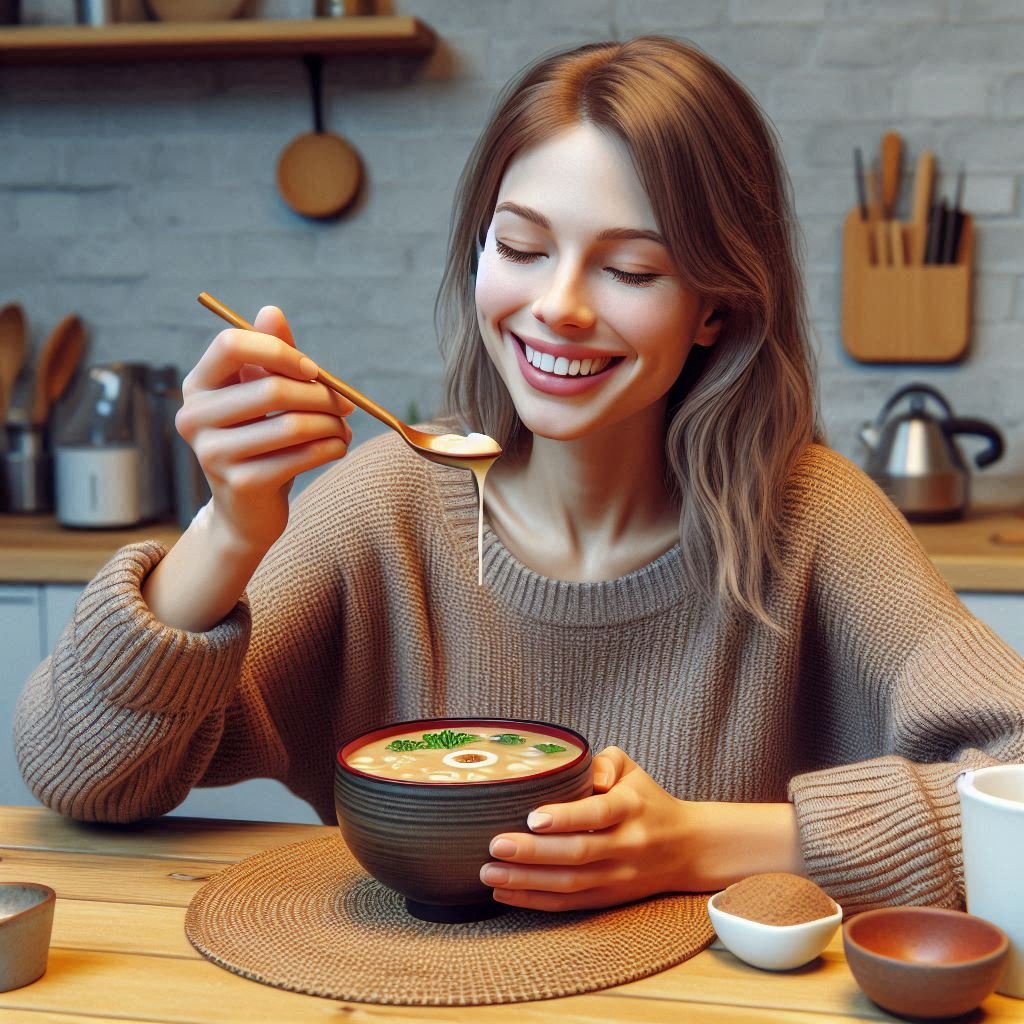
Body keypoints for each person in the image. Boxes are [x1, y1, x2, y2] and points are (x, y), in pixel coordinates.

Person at [14, 36, 1024, 916]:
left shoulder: (807, 519)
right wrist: (230, 529)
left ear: (716, 308)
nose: (560, 308)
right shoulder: (386, 507)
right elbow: (78, 777)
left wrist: (695, 843)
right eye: (523, 246)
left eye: (631, 270)